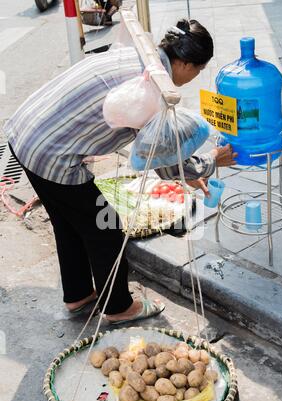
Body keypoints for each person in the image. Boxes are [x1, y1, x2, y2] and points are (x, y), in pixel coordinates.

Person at [3, 19, 236, 325]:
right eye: (199, 70)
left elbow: (162, 156)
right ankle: (117, 307)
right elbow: (158, 157)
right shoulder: (153, 91)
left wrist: (186, 170)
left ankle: (78, 294)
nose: (195, 77)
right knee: (107, 228)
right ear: (185, 63)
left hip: (26, 134)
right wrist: (210, 161)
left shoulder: (141, 53)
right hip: (52, 154)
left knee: (68, 222)